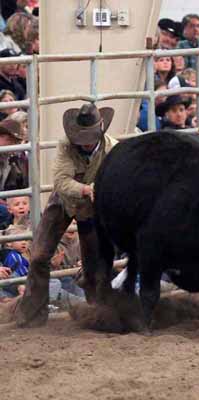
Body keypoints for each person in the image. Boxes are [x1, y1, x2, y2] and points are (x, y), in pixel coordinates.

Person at [15, 103, 118, 327]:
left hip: (91, 209)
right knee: (39, 256)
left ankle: (97, 314)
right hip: (63, 201)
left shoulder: (112, 150)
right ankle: (31, 316)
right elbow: (61, 181)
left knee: (94, 264)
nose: (86, 142)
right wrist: (86, 189)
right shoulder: (66, 146)